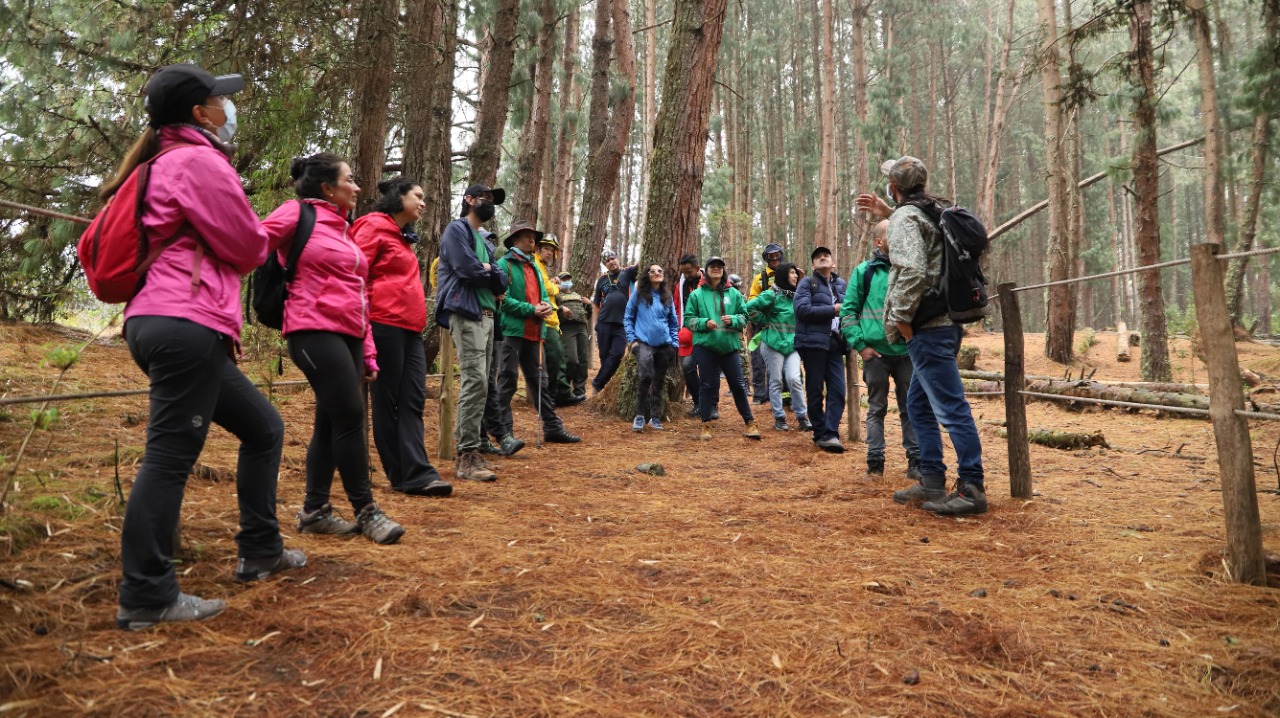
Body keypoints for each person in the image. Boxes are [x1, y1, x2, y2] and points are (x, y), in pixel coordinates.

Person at [113, 64, 303, 630]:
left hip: (168, 321)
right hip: (182, 321)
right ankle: (146, 594)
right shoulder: (198, 161)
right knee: (169, 457)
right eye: (221, 100)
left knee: (263, 428)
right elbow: (248, 247)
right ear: (200, 113)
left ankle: (260, 550)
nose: (228, 108)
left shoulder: (161, 160)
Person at [263, 154, 404, 545]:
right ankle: (367, 510)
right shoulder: (297, 214)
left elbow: (359, 296)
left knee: (330, 421)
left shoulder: (344, 229)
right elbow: (249, 242)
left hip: (351, 336)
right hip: (311, 329)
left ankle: (314, 511)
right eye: (350, 179)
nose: (357, 187)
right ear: (327, 188)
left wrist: (368, 351)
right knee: (350, 414)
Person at [857, 156, 987, 515]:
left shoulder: (906, 218)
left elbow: (913, 268)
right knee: (918, 403)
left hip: (927, 327)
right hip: (944, 322)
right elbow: (926, 246)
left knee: (951, 406)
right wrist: (890, 212)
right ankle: (931, 479)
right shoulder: (931, 210)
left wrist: (900, 318)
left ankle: (972, 486)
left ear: (894, 187)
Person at [351, 177, 453, 498]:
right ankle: (402, 474)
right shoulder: (372, 226)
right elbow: (353, 274)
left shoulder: (403, 236)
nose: (423, 203)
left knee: (413, 399)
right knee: (388, 400)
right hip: (382, 323)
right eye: (417, 196)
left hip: (410, 328)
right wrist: (361, 329)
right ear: (399, 197)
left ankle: (416, 471)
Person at [436, 184, 510, 481]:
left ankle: (474, 446)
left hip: (489, 317)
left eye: (493, 201)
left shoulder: (486, 243)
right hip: (467, 312)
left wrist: (489, 269)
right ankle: (466, 456)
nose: (489, 204)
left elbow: (502, 281)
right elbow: (467, 269)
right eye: (485, 198)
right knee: (475, 379)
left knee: (483, 383)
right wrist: (488, 271)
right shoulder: (457, 230)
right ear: (469, 199)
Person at [841, 221, 919, 478]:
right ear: (878, 242)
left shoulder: (910, 268)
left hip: (907, 353)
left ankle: (916, 463)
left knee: (911, 407)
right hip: (875, 355)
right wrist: (861, 346)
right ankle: (875, 463)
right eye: (890, 233)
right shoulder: (864, 272)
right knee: (876, 408)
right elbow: (848, 312)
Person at [494, 221, 582, 446]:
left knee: (540, 381)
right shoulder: (504, 264)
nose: (532, 239)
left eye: (533, 236)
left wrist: (545, 307)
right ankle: (504, 432)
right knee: (508, 380)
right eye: (526, 235)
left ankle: (552, 427)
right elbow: (503, 300)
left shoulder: (533, 266)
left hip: (534, 331)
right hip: (512, 331)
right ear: (515, 240)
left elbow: (543, 295)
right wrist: (532, 309)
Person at [684, 257, 761, 441]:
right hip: (705, 346)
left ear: (723, 270)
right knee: (706, 384)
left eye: (719, 266)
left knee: (738, 385)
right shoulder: (697, 295)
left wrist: (733, 320)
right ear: (706, 270)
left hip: (729, 346)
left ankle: (750, 423)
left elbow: (744, 316)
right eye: (712, 266)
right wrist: (704, 323)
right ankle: (706, 424)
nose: (716, 269)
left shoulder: (733, 294)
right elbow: (688, 320)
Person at [794, 246, 849, 453]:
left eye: (826, 255)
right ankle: (820, 433)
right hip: (813, 343)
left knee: (838, 389)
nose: (822, 258)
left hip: (836, 344)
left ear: (833, 263)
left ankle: (831, 432)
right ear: (813, 265)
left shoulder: (841, 285)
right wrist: (832, 310)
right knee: (815, 389)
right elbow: (801, 310)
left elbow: (852, 310)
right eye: (818, 257)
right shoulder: (807, 283)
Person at [746, 262, 811, 432]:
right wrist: (763, 321)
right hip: (772, 345)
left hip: (792, 346)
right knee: (776, 381)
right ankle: (779, 417)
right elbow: (748, 308)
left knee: (794, 379)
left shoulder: (798, 296)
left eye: (796, 273)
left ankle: (802, 417)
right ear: (783, 275)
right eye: (792, 273)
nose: (795, 276)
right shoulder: (771, 295)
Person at [624, 262, 680, 431]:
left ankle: (655, 418)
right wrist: (633, 340)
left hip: (664, 346)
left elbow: (673, 323)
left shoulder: (667, 297)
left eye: (659, 271)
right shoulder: (638, 294)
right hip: (643, 344)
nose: (656, 273)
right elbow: (628, 317)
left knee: (659, 380)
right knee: (646, 377)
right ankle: (639, 416)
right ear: (647, 275)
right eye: (652, 271)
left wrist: (674, 343)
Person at [534, 235, 580, 407]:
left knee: (558, 358)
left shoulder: (543, 267)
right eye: (546, 248)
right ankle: (551, 397)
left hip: (552, 320)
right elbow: (543, 287)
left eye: (552, 250)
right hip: (544, 320)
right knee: (553, 359)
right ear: (538, 249)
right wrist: (556, 287)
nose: (549, 252)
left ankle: (561, 394)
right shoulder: (535, 263)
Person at [591, 250, 638, 394]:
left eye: (613, 258)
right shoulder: (602, 279)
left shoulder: (627, 273)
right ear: (605, 264)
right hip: (603, 323)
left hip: (622, 324)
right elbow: (596, 303)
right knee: (605, 357)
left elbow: (642, 264)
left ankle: (597, 384)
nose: (611, 262)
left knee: (617, 354)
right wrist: (595, 324)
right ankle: (605, 392)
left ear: (617, 258)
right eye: (607, 261)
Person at [747, 243, 784, 404]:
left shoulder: (788, 274)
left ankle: (775, 394)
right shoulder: (759, 278)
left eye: (777, 255)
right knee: (758, 361)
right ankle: (759, 394)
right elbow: (752, 301)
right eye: (771, 256)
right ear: (766, 258)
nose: (774, 258)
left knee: (777, 362)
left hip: (782, 326)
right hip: (761, 325)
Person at [673, 254, 709, 418]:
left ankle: (711, 405)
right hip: (687, 333)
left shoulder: (708, 281)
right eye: (683, 272)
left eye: (689, 272)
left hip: (708, 331)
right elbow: (676, 306)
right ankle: (698, 403)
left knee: (708, 369)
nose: (686, 275)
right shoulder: (681, 285)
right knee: (687, 367)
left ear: (697, 268)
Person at [556, 271, 592, 401]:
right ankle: (564, 389)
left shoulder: (577, 296)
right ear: (559, 281)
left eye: (568, 279)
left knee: (583, 360)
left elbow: (587, 314)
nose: (566, 281)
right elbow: (554, 310)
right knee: (571, 359)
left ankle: (579, 391)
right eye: (563, 279)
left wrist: (589, 305)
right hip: (567, 328)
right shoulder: (556, 296)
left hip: (581, 328)